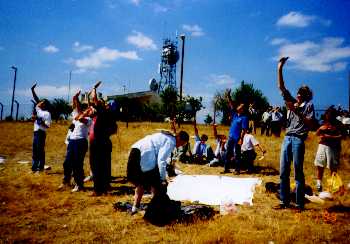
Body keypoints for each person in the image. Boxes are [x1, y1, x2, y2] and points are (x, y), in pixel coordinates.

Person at [275, 57, 315, 211]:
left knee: (298, 172)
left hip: (298, 139)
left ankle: (299, 204)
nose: (298, 95)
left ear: (305, 96)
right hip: (287, 138)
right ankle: (283, 201)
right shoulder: (293, 102)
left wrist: (296, 110)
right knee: (283, 171)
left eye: (301, 94)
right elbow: (281, 87)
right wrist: (280, 68)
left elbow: (310, 123)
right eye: (298, 93)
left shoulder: (308, 106)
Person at [127, 130, 189, 214]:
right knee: (157, 184)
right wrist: (163, 178)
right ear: (179, 139)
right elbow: (161, 160)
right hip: (145, 155)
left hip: (135, 150)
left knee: (141, 182)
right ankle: (156, 208)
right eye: (182, 143)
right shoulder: (171, 142)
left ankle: (135, 207)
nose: (180, 146)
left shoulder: (167, 137)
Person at [59, 90, 92, 192]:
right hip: (72, 142)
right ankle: (66, 181)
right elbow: (76, 107)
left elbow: (81, 118)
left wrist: (85, 112)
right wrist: (75, 97)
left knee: (77, 164)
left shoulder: (88, 120)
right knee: (67, 163)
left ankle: (79, 184)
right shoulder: (76, 115)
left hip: (81, 142)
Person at [89, 81, 118, 196]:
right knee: (104, 166)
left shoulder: (103, 112)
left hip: (98, 142)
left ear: (107, 106)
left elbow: (94, 98)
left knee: (96, 165)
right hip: (106, 142)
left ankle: (97, 190)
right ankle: (105, 188)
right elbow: (114, 130)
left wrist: (94, 88)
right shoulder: (111, 116)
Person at [314, 106, 343, 192]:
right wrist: (320, 129)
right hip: (322, 145)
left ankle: (333, 186)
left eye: (329, 114)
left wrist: (331, 137)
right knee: (320, 164)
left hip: (333, 148)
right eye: (327, 114)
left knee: (333, 168)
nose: (327, 116)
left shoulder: (338, 124)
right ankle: (319, 183)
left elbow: (342, 136)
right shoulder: (324, 123)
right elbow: (317, 134)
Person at [223, 89, 249, 174]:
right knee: (228, 153)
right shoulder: (234, 114)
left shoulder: (244, 118)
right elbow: (231, 104)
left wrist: (241, 139)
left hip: (237, 138)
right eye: (239, 106)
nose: (239, 107)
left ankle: (237, 170)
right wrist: (228, 96)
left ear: (242, 109)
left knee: (237, 154)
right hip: (231, 137)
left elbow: (244, 130)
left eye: (241, 107)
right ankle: (226, 168)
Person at [31, 83, 51, 173]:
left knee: (40, 151)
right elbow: (36, 99)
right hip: (35, 132)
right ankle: (34, 168)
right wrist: (32, 90)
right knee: (35, 151)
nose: (39, 104)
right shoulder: (38, 109)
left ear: (44, 105)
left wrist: (38, 119)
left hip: (41, 133)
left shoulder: (47, 113)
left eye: (41, 103)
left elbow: (47, 126)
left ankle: (41, 168)